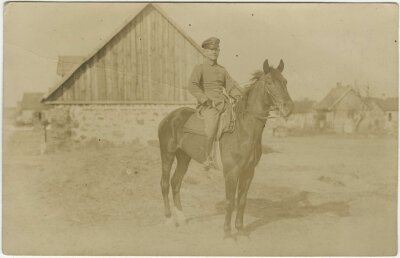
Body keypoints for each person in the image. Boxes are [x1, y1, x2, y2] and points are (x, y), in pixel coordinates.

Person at [188, 37, 243, 169]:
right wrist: (204, 99)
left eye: (216, 49)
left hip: (223, 103)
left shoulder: (222, 70)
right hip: (209, 105)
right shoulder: (199, 68)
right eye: (211, 50)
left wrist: (237, 95)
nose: (214, 52)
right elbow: (192, 86)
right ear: (205, 52)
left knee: (237, 121)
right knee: (211, 127)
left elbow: (230, 86)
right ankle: (207, 158)